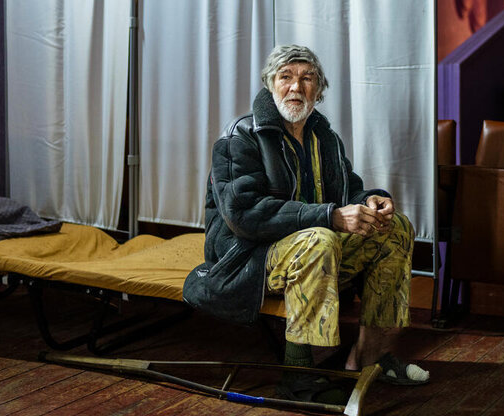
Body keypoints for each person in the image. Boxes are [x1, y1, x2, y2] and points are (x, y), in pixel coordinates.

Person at [183, 44, 429, 402]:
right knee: (319, 239)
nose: (296, 87)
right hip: (246, 257)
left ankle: (369, 358)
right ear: (270, 85)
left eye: (307, 78)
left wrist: (369, 202)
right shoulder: (241, 136)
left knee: (394, 229)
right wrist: (329, 217)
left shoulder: (322, 136)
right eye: (285, 77)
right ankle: (299, 376)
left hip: (305, 248)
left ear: (319, 89)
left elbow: (347, 190)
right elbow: (243, 215)